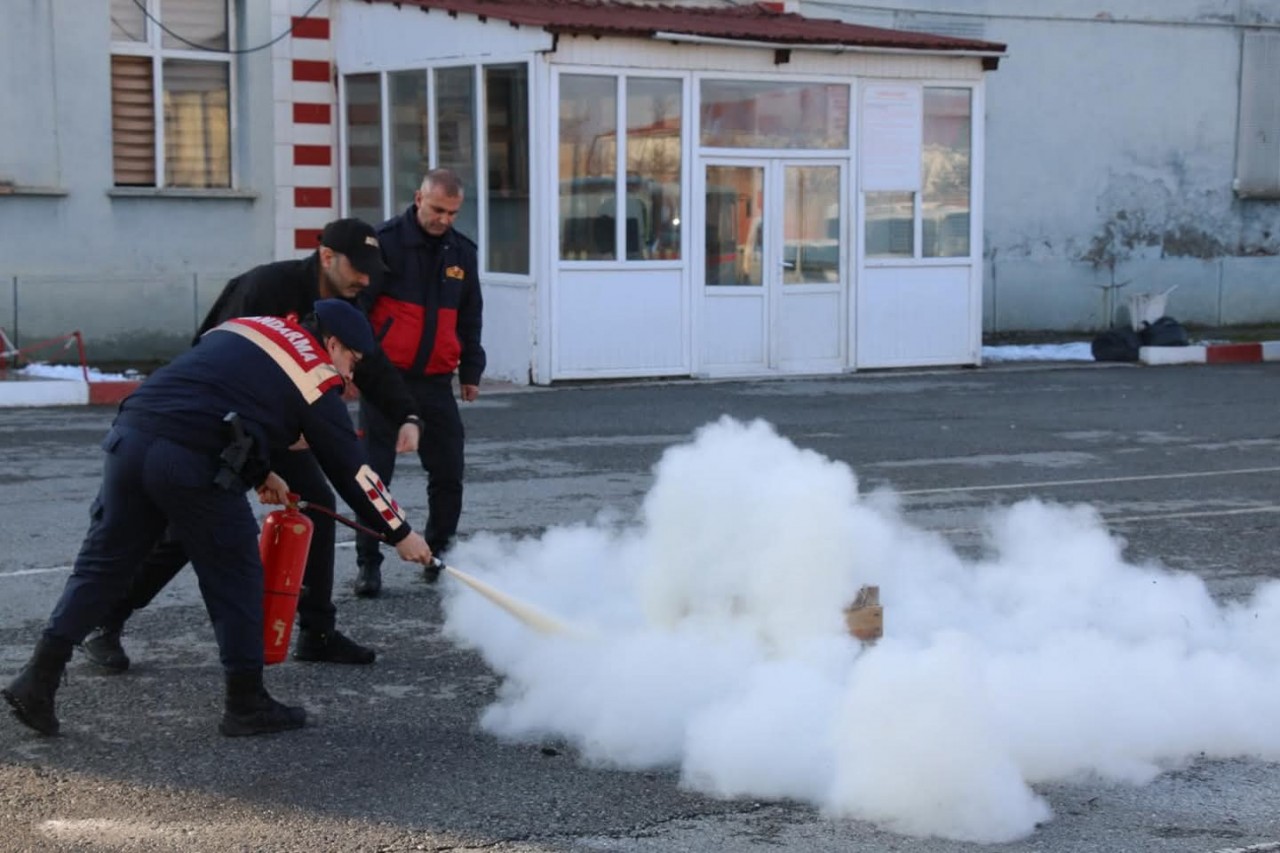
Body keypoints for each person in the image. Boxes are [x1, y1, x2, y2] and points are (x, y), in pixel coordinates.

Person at [2, 300, 433, 738]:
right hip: (186, 461)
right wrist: (399, 531)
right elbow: (351, 466)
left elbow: (219, 395)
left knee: (102, 566)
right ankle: (247, 703)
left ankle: (38, 679)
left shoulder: (249, 326)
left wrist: (261, 470)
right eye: (352, 361)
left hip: (131, 437)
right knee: (237, 575)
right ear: (333, 343)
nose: (350, 375)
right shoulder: (315, 371)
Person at [80, 218, 423, 672]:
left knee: (315, 503)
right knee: (183, 529)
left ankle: (317, 630)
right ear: (326, 256)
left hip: (284, 431)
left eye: (369, 269)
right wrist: (259, 463)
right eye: (358, 268)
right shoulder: (264, 287)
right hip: (220, 429)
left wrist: (407, 414)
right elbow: (215, 355)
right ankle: (107, 620)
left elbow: (369, 369)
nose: (365, 278)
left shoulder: (347, 309)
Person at [353, 169, 485, 597]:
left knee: (448, 472)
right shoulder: (384, 243)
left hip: (435, 381)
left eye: (452, 213)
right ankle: (367, 565)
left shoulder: (462, 253)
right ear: (418, 199)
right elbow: (358, 310)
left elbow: (470, 316)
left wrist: (470, 370)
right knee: (374, 476)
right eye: (437, 210)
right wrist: (354, 368)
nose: (444, 219)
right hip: (384, 380)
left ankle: (438, 552)